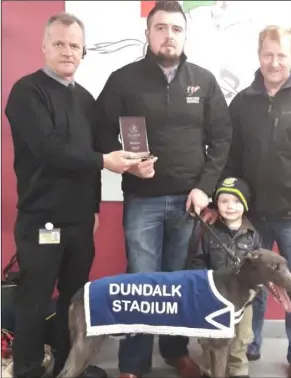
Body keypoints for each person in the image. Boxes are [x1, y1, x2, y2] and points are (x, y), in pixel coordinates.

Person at [94, 2, 233, 377]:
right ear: (148, 33)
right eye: (161, 28)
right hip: (142, 201)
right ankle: (133, 363)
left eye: (176, 28)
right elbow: (100, 134)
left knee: (177, 281)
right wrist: (124, 162)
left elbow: (222, 138)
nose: (168, 35)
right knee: (141, 280)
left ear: (184, 35)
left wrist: (205, 188)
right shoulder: (123, 80)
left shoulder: (203, 80)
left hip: (190, 202)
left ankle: (175, 351)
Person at [4, 12, 142, 378]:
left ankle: (69, 367)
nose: (68, 52)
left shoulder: (85, 99)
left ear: (83, 53)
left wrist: (96, 205)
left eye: (75, 46)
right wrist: (104, 160)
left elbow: (93, 156)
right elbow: (49, 148)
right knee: (34, 300)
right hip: (41, 220)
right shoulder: (26, 92)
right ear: (45, 46)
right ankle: (29, 370)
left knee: (73, 298)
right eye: (60, 44)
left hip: (80, 219)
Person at [214, 25, 291, 378]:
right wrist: (226, 200)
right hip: (250, 216)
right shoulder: (242, 102)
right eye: (268, 54)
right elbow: (231, 159)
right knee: (250, 284)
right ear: (259, 55)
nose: (274, 62)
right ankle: (250, 342)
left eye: (282, 55)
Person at [190, 177, 261, 378]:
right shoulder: (207, 231)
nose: (230, 207)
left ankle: (238, 370)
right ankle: (209, 370)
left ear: (245, 204)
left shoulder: (253, 234)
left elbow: (258, 268)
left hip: (243, 299)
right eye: (224, 201)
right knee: (209, 337)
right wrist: (204, 286)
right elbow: (198, 260)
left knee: (241, 338)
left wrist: (254, 292)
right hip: (214, 297)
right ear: (216, 204)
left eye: (236, 201)